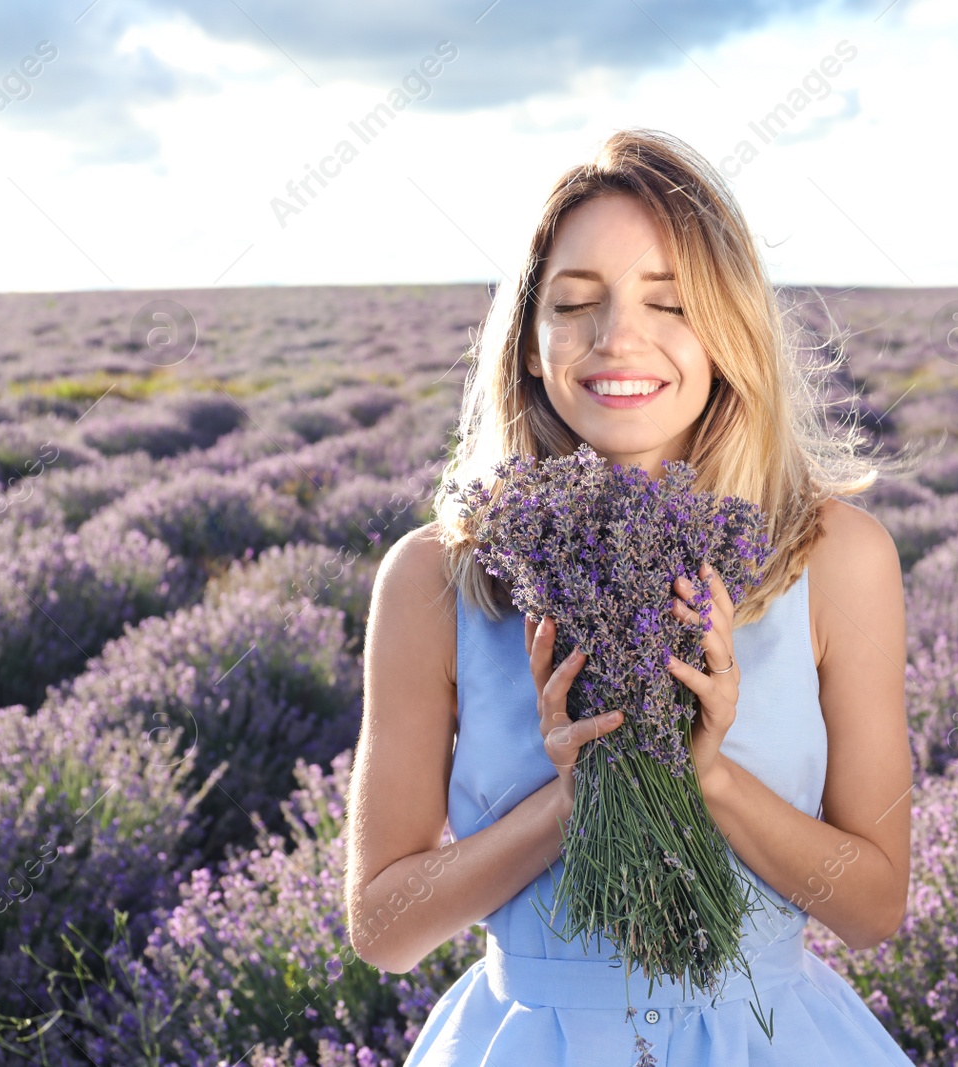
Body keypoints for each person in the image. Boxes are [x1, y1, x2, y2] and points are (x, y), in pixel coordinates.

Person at [345, 127, 915, 1065]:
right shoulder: (433, 576)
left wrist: (711, 778)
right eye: (575, 304)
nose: (619, 340)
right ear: (529, 344)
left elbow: (872, 906)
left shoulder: (837, 556)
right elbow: (384, 926)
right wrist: (569, 799)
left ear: (729, 330)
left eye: (672, 302)